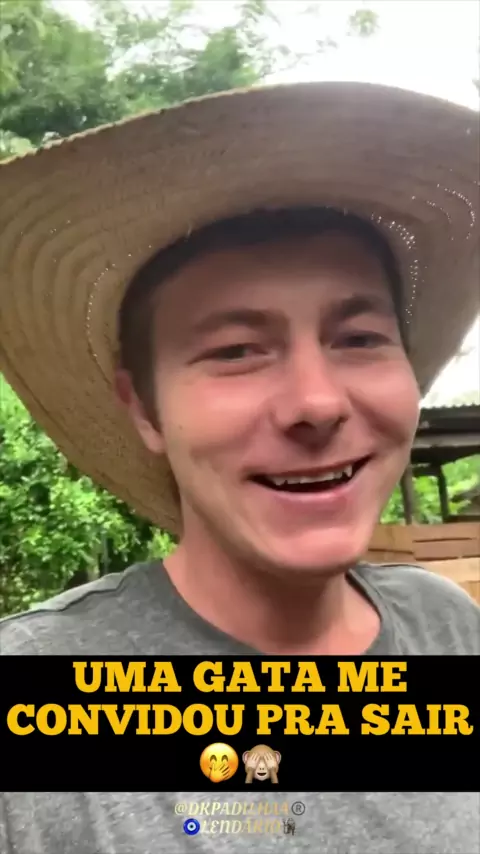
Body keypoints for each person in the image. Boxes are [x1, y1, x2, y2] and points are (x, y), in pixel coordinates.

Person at [0, 81, 479, 854]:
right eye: (235, 350)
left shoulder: (446, 629)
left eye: (359, 338)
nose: (316, 402)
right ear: (143, 409)